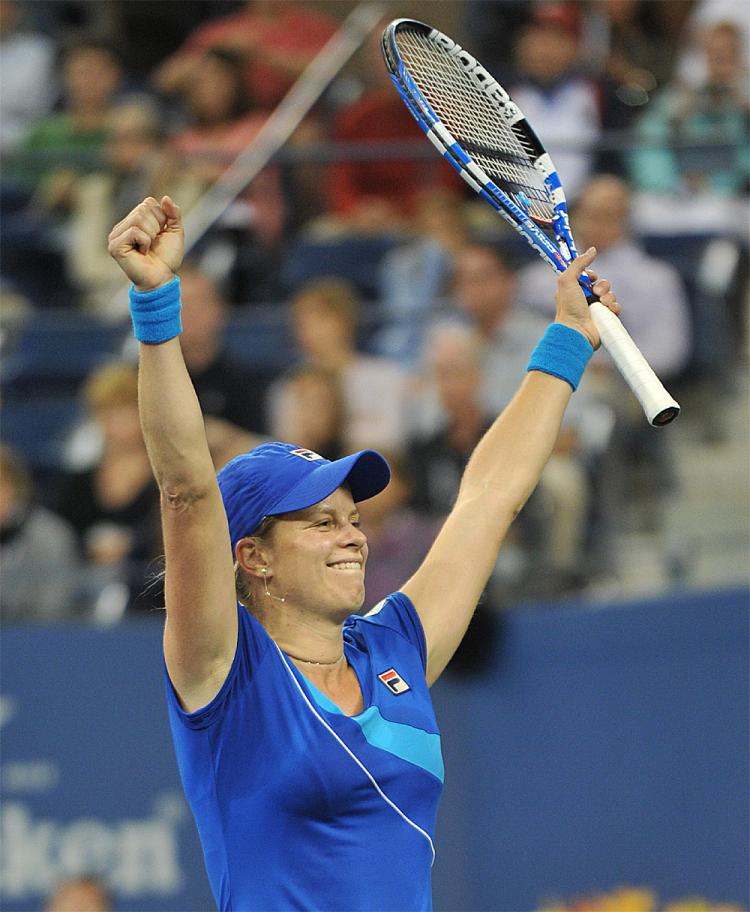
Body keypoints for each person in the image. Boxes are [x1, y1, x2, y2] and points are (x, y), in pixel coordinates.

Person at [106, 194, 621, 910]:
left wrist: (566, 336)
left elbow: (488, 500)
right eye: (320, 523)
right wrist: (158, 309)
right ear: (253, 557)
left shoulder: (396, 646)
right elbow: (188, 494)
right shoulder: (223, 670)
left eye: (352, 517)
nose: (353, 534)